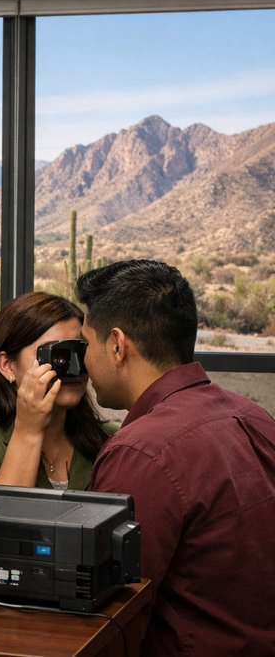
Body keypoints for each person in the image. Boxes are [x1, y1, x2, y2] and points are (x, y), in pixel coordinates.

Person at [74, 259, 275, 655]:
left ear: (117, 345)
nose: (82, 363)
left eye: (85, 345)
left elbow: (113, 614)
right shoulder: (254, 418)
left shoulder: (141, 453)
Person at [0, 292, 114, 490]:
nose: (74, 368)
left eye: (80, 352)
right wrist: (27, 432)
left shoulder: (109, 440)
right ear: (7, 365)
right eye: (58, 356)